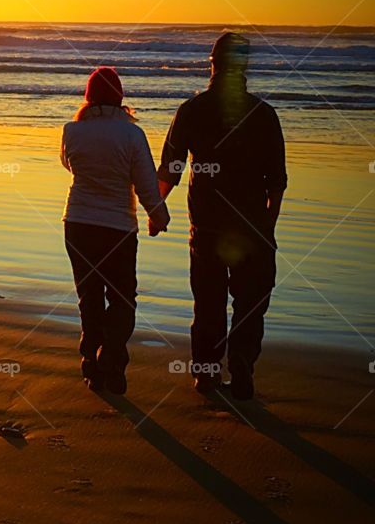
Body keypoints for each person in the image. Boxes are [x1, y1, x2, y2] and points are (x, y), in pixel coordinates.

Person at [157, 32, 286, 400]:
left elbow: (171, 170)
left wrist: (154, 207)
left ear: (211, 64)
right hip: (252, 229)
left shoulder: (192, 110)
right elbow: (277, 182)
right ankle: (242, 369)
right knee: (249, 304)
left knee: (209, 303)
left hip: (208, 227)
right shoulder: (263, 114)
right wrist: (268, 228)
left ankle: (207, 375)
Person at [60, 66, 170, 395]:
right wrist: (159, 215)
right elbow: (146, 183)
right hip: (118, 228)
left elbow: (68, 165)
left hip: (77, 224)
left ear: (88, 96)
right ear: (120, 97)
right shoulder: (132, 135)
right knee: (122, 300)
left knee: (89, 298)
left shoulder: (71, 131)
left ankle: (92, 365)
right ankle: (111, 361)